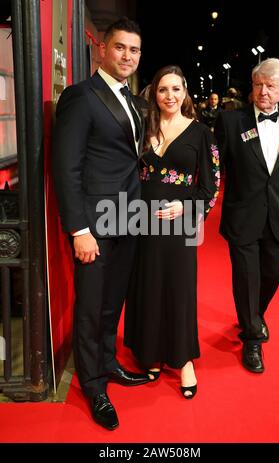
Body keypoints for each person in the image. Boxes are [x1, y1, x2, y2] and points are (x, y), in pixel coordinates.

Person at [52, 17, 149, 431]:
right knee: (91, 307)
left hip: (127, 217)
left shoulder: (131, 100)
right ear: (102, 50)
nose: (127, 56)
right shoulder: (81, 96)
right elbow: (66, 167)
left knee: (113, 302)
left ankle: (107, 363)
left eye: (134, 50)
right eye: (121, 48)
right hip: (94, 224)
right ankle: (92, 385)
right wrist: (80, 230)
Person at [124, 65, 220, 399]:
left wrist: (188, 207)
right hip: (143, 221)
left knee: (179, 289)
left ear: (185, 93)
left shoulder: (201, 133)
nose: (170, 96)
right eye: (163, 90)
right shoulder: (143, 127)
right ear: (154, 92)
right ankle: (149, 353)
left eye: (176, 89)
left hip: (180, 225)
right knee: (148, 284)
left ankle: (183, 361)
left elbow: (212, 184)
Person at [215, 58, 279, 373]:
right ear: (252, 87)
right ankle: (252, 338)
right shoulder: (230, 121)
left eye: (270, 86)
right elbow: (215, 167)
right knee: (246, 277)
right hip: (243, 216)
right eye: (258, 85)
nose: (263, 92)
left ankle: (254, 315)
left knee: (274, 272)